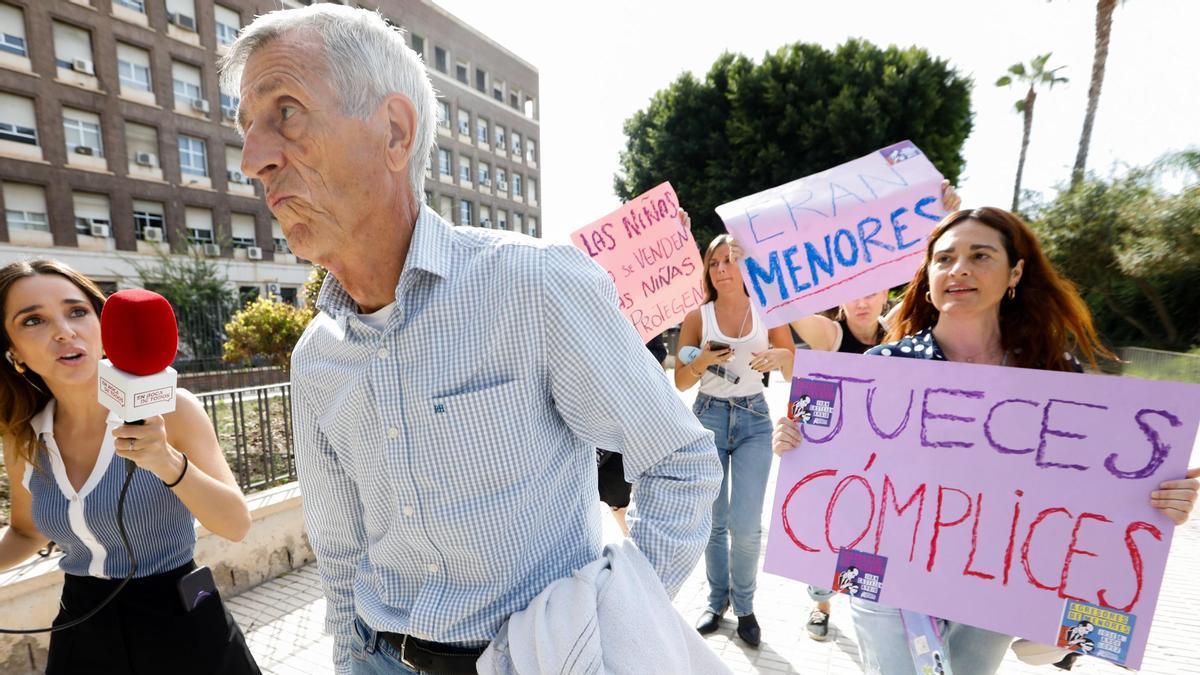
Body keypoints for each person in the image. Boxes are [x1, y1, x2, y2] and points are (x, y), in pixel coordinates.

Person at [222, 6, 722, 674]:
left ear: (395, 132)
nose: (254, 159)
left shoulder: (535, 285)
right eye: (246, 127)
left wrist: (610, 630)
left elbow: (680, 461)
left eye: (285, 111)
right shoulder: (316, 358)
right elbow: (341, 556)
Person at [772, 206, 1200, 675]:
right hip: (889, 579)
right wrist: (799, 443)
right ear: (929, 274)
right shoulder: (880, 365)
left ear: (1015, 270)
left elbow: (1094, 495)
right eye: (945, 258)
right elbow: (840, 471)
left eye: (980, 256)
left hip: (993, 590)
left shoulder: (1055, 375)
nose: (959, 269)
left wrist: (1155, 501)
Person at [0, 260, 258, 674]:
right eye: (33, 320)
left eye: (77, 311)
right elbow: (26, 531)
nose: (64, 330)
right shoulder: (25, 437)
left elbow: (236, 524)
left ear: (103, 327)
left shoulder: (172, 410)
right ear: (13, 350)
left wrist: (166, 460)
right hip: (82, 627)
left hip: (181, 620)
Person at [729, 181, 961, 641]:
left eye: (872, 291)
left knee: (877, 544)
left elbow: (936, 279)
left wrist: (945, 221)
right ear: (839, 297)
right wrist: (748, 262)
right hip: (832, 464)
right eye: (854, 292)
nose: (862, 299)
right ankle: (821, 606)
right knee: (822, 559)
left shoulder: (900, 330)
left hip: (890, 466)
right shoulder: (830, 336)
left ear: (885, 295)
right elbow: (786, 304)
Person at [674, 234, 795, 647]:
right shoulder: (698, 316)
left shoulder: (768, 312)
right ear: (707, 270)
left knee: (746, 527)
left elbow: (793, 370)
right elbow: (681, 379)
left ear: (747, 267)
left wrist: (782, 359)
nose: (723, 269)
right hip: (707, 416)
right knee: (714, 522)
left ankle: (744, 607)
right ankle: (715, 600)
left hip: (755, 420)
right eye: (715, 263)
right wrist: (704, 360)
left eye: (731, 261)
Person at [597, 334, 670, 537]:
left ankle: (635, 549)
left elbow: (658, 362)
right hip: (595, 410)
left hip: (633, 415)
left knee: (620, 500)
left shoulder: (642, 315)